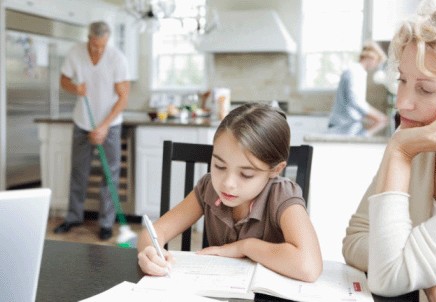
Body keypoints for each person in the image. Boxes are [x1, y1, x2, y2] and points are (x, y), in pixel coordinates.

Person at [342, 1, 436, 301]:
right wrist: (424, 272)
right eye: (402, 80)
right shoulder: (412, 141)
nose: (402, 103)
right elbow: (355, 239)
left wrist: (408, 266)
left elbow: (389, 277)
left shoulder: (404, 147)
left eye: (426, 89)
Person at [137, 103, 323, 282]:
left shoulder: (282, 194)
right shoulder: (208, 188)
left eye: (246, 174)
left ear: (275, 170)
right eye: (219, 165)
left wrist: (244, 247)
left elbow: (309, 266)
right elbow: (153, 232)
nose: (227, 184)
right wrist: (150, 253)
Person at [53, 21, 130, 240]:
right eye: (95, 46)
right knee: (78, 171)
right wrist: (75, 88)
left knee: (110, 174)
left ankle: (106, 223)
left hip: (110, 125)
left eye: (102, 46)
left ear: (108, 41)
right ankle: (73, 217)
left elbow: (123, 97)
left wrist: (104, 126)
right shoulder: (75, 53)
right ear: (88, 39)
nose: (98, 50)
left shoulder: (117, 59)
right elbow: (64, 80)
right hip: (82, 121)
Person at [328, 41, 389, 131]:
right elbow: (356, 102)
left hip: (346, 123)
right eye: (377, 62)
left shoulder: (358, 71)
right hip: (342, 124)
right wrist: (379, 117)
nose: (376, 66)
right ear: (372, 57)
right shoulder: (355, 72)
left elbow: (358, 102)